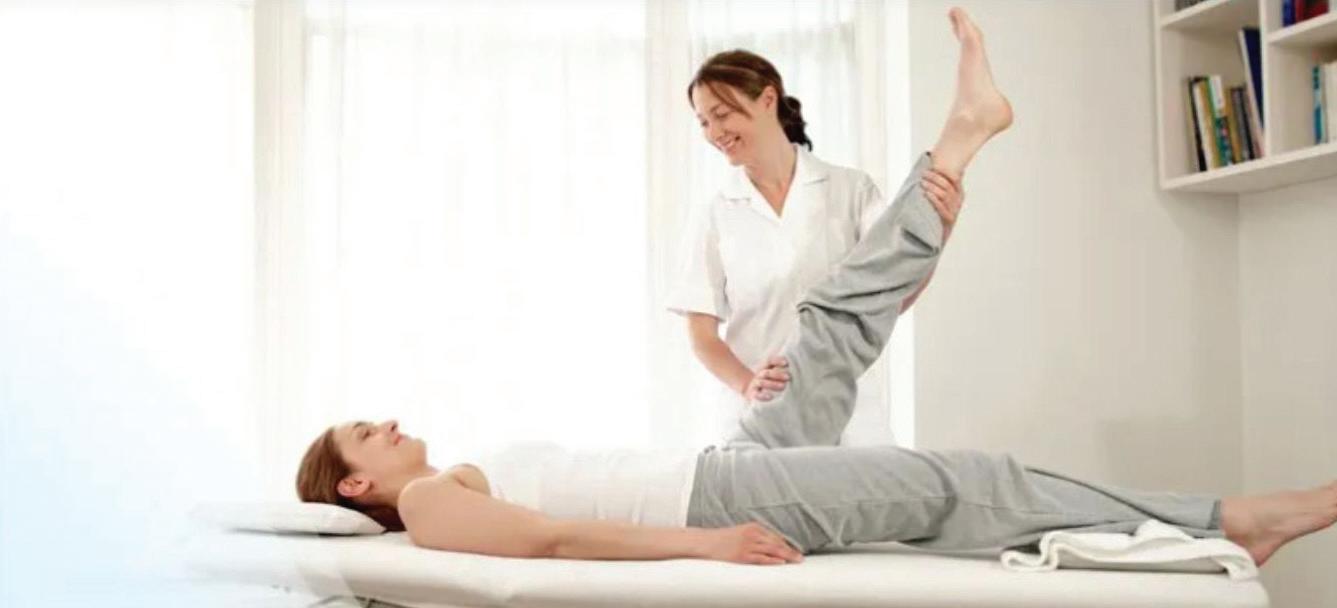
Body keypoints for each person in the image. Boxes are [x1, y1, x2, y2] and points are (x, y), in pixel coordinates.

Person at [297, 7, 1337, 568]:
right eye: (361, 433)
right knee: (957, 481)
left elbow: (878, 301)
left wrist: (929, 232)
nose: (384, 422)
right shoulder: (426, 501)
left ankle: (959, 140)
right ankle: (1221, 518)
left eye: (724, 112)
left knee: (833, 313)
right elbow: (556, 540)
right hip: (721, 495)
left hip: (730, 459)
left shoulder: (450, 476)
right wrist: (706, 542)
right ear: (354, 488)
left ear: (767, 100)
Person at [669, 47, 965, 446]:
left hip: (851, 413)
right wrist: (748, 384)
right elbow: (701, 335)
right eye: (703, 122)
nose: (713, 132)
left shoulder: (850, 190)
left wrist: (942, 228)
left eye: (721, 115)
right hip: (760, 414)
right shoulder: (716, 212)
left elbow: (893, 292)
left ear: (768, 99)